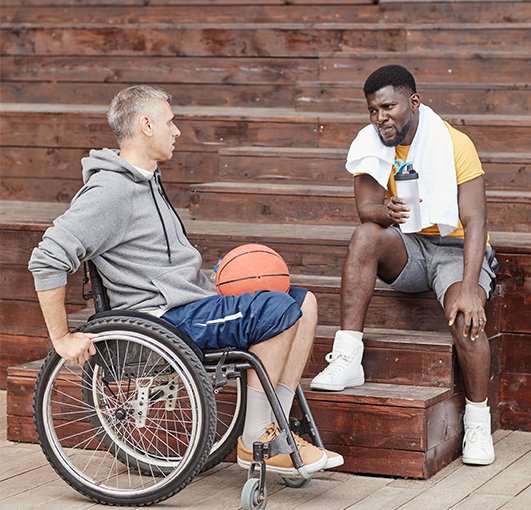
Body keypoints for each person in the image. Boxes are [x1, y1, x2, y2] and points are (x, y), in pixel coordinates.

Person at [28, 85, 343, 476]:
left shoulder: (146, 180)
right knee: (276, 310)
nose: (176, 131)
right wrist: (61, 338)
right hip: (162, 319)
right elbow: (47, 257)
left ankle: (272, 430)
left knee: (302, 302)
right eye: (170, 122)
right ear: (146, 125)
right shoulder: (111, 191)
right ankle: (255, 440)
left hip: (188, 307)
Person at [311, 65, 497, 466]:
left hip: (455, 249)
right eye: (373, 110)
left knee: (464, 314)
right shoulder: (370, 143)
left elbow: (476, 221)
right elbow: (366, 209)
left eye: (388, 107)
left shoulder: (454, 143)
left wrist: (469, 287)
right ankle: (347, 357)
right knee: (366, 234)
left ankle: (478, 421)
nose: (380, 118)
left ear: (413, 102)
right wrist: (387, 211)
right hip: (410, 246)